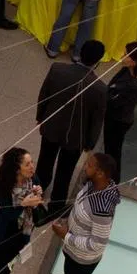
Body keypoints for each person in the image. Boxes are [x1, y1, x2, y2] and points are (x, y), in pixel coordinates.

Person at [44, 152, 121, 274]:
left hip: (83, 259)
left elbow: (97, 243)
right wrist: (66, 222)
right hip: (73, 250)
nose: (85, 166)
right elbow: (78, 207)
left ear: (101, 173)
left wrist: (66, 236)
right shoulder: (90, 185)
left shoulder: (103, 208)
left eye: (90, 164)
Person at [35, 40, 107, 200]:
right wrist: (90, 142)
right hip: (76, 137)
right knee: (65, 172)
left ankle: (37, 194)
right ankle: (56, 205)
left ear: (80, 53)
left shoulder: (57, 70)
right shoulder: (100, 89)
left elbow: (44, 95)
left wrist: (41, 116)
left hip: (51, 126)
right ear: (98, 60)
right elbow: (97, 119)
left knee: (44, 162)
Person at [104, 43, 137, 179]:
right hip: (119, 117)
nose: (122, 56)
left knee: (113, 152)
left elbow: (112, 100)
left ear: (134, 62)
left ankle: (112, 181)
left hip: (118, 121)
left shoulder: (133, 85)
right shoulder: (130, 71)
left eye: (126, 55)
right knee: (111, 149)